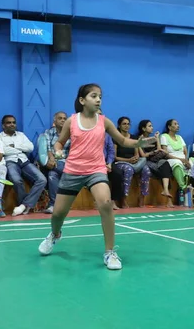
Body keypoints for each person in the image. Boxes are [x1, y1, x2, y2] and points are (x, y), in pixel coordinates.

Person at [37, 83, 155, 270]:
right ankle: (55, 234)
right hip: (73, 170)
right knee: (58, 213)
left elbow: (123, 140)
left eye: (100, 96)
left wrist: (138, 143)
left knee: (106, 204)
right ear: (82, 100)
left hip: (96, 170)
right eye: (94, 96)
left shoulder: (104, 121)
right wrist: (58, 151)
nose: (98, 99)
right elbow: (59, 143)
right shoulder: (72, 121)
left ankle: (109, 252)